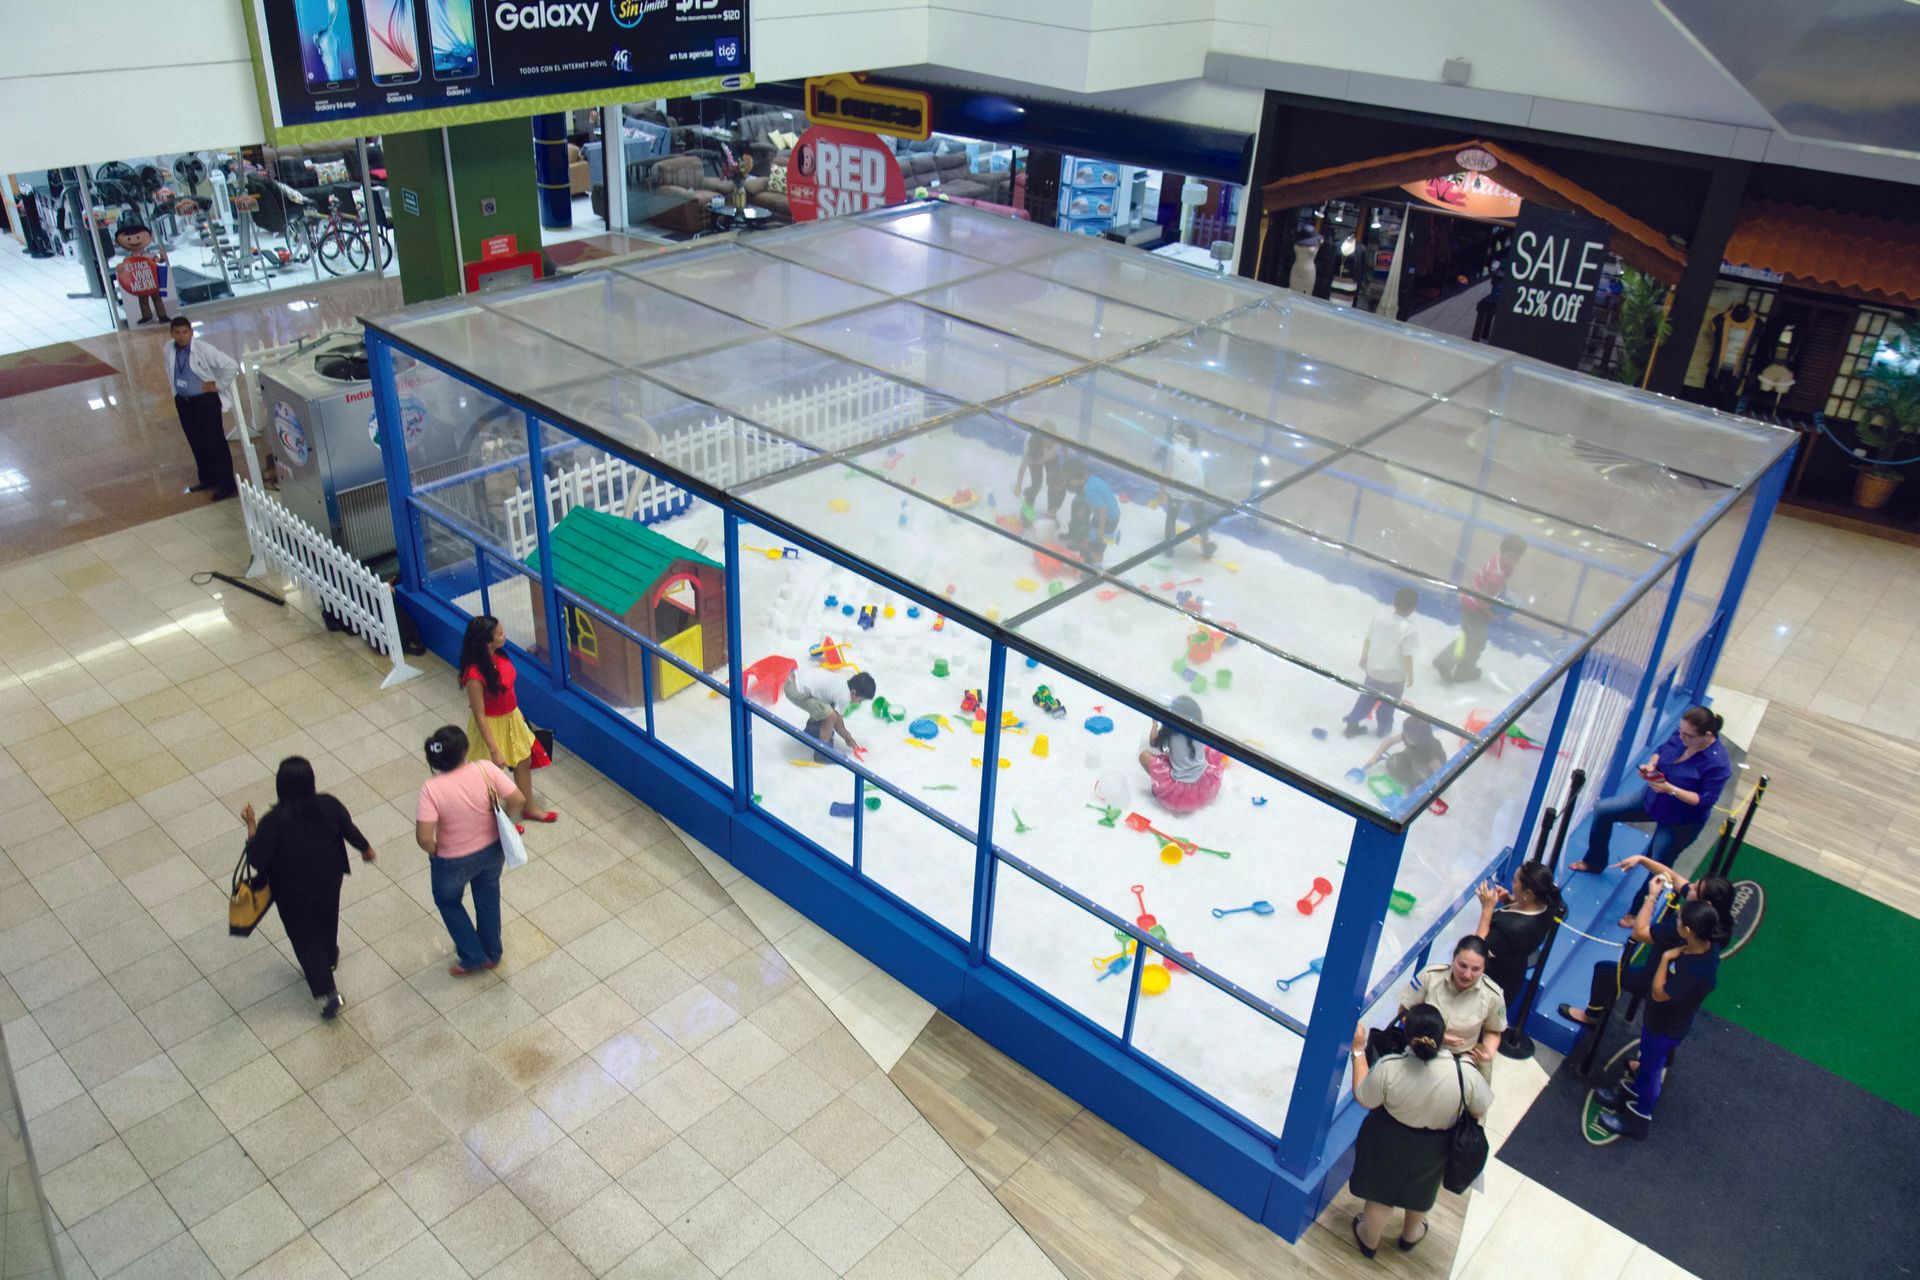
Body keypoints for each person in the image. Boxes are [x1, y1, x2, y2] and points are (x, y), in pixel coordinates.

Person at [1345, 1004, 1492, 1257]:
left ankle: (1369, 1240)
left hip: (1388, 1139)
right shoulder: (1464, 1073)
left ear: (1408, 1034)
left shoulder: (1390, 1066)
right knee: (1422, 1191)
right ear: (1443, 1035)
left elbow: (1364, 1098)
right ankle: (1411, 1234)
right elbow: (1479, 1110)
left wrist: (1358, 1051)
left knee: (1380, 1194)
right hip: (1435, 1147)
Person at [240, 757, 373, 1020]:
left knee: (304, 937)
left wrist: (251, 825)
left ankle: (329, 993)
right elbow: (348, 828)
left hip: (291, 890)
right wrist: (365, 848)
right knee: (327, 918)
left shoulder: (273, 822)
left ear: (280, 786)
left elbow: (257, 859)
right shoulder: (328, 805)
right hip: (329, 877)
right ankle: (330, 956)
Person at [1593, 900, 1721, 1139]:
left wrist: (1665, 959)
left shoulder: (1696, 970)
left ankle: (1639, 1119)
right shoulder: (1703, 947)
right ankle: (1630, 1096)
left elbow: (1659, 993)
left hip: (1665, 1027)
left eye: (1679, 920)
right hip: (1659, 1020)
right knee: (1647, 1063)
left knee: (1651, 1071)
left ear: (1689, 931)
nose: (1676, 922)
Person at [1570, 707, 1730, 893]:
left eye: (1688, 736)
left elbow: (1703, 801)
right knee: (1603, 810)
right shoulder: (1683, 734)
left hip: (1680, 820)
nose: (1682, 737)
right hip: (1653, 798)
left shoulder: (1718, 765)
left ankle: (1642, 905)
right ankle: (1594, 861)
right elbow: (1661, 750)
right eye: (1681, 732)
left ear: (1707, 735)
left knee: (1659, 862)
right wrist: (1651, 765)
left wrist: (1670, 789)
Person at [1558, 865, 1732, 1029]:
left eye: (1695, 889)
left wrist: (1652, 897)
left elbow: (1639, 933)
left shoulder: (1680, 928)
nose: (1689, 886)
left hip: (1658, 978)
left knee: (1604, 970)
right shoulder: (1718, 924)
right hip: (1680, 984)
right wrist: (1642, 860)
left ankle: (1592, 1015)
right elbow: (1676, 879)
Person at [416, 726, 520, 975]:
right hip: (492, 850)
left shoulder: (431, 789)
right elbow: (518, 799)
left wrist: (435, 850)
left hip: (452, 860)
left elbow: (424, 837)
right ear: (464, 751)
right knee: (488, 898)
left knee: (448, 902)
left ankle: (473, 955)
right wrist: (508, 823)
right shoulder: (485, 769)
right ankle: (492, 953)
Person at [458, 615, 555, 827]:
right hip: (490, 725)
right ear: (487, 642)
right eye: (500, 634)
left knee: (523, 760)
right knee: (491, 777)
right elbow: (479, 715)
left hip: (512, 717)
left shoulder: (499, 655)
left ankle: (528, 806)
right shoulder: (474, 675)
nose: (505, 636)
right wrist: (494, 750)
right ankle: (499, 823)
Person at [1397, 936, 1505, 1082]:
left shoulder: (1492, 995)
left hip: (1460, 1059)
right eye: (1462, 965)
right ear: (1453, 958)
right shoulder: (1430, 976)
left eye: (1475, 969)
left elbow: (1494, 1030)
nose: (1467, 974)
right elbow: (1404, 1013)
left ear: (1484, 968)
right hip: (1419, 1048)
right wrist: (1439, 1036)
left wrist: (1488, 1053)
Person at [160, 317, 239, 500]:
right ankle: (207, 478)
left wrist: (218, 385)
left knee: (215, 442)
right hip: (184, 402)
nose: (181, 336)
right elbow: (169, 369)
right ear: (172, 333)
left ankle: (226, 485)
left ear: (191, 332)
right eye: (177, 332)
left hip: (205, 402)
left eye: (185, 332)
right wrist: (175, 393)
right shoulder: (168, 348)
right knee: (196, 441)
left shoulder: (203, 349)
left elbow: (231, 365)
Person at [1434, 534, 1526, 684]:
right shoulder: (1496, 575)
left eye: (1517, 558)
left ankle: (1444, 661)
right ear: (1504, 553)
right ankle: (1465, 672)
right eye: (1511, 557)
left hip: (1468, 601)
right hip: (1476, 608)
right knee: (1477, 643)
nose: (1514, 561)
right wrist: (1490, 614)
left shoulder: (1498, 560)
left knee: (1467, 636)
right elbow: (1481, 598)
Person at [1474, 862, 1562, 1010]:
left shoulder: (1513, 930)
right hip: (1514, 971)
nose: (1511, 883)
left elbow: (1478, 948)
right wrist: (1509, 899)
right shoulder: (1548, 904)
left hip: (1491, 985)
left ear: (1528, 894)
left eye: (1515, 881)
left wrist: (1487, 908)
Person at [1345, 587, 1418, 737]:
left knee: (1365, 698)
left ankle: (1352, 724)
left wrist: (1364, 656)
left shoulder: (1379, 619)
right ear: (1413, 609)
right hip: (1395, 678)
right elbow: (1407, 656)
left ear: (1394, 603)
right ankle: (1383, 729)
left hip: (1374, 671)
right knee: (1388, 704)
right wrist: (1410, 674)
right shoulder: (1410, 629)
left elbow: (1368, 639)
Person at [1137, 694, 1226, 815]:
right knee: (1208, 750)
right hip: (1205, 784)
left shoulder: (1170, 735)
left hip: (1178, 791)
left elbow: (1152, 742)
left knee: (1144, 756)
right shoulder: (1201, 732)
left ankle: (1160, 787)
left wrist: (1154, 723)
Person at [783, 665, 876, 758]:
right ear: (853, 693)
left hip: (794, 679)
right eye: (860, 700)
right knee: (831, 716)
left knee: (826, 708)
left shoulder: (842, 682)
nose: (859, 703)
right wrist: (847, 737)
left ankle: (812, 731)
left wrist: (846, 737)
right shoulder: (845, 696)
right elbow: (837, 721)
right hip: (795, 690)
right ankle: (822, 753)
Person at [1159, 423, 1216, 557]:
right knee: (1200, 518)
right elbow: (1203, 472)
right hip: (1196, 488)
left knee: (1171, 518)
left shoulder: (1173, 448)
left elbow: (1167, 471)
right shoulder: (1197, 450)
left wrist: (1161, 491)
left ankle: (1168, 549)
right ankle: (1206, 548)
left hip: (1178, 487)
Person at [1362, 716, 1448, 792]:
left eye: (1407, 736)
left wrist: (1436, 784)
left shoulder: (1431, 747)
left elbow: (1437, 768)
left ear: (1417, 738)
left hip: (1429, 765)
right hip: (1413, 756)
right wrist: (1375, 757)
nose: (1404, 737)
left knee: (1419, 779)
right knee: (1392, 762)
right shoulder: (1410, 734)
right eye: (1405, 734)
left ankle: (1419, 783)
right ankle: (1414, 778)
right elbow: (1390, 741)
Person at [1063, 456, 1120, 566]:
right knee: (1090, 535)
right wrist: (1085, 508)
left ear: (1076, 478)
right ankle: (1087, 560)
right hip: (1105, 513)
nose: (1069, 481)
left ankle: (1096, 569)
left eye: (1070, 479)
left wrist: (1101, 529)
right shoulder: (1091, 479)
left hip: (1109, 517)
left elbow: (1103, 509)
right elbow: (1099, 499)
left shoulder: (1089, 490)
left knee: (1099, 547)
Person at [1014, 429, 1066, 527]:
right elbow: (1022, 468)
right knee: (1036, 485)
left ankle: (1051, 512)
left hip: (1052, 458)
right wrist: (1018, 485)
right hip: (1035, 459)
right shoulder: (1031, 448)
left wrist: (1067, 459)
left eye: (1051, 443)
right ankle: (1027, 508)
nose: (1050, 445)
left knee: (1056, 482)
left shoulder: (1056, 440)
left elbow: (1065, 444)